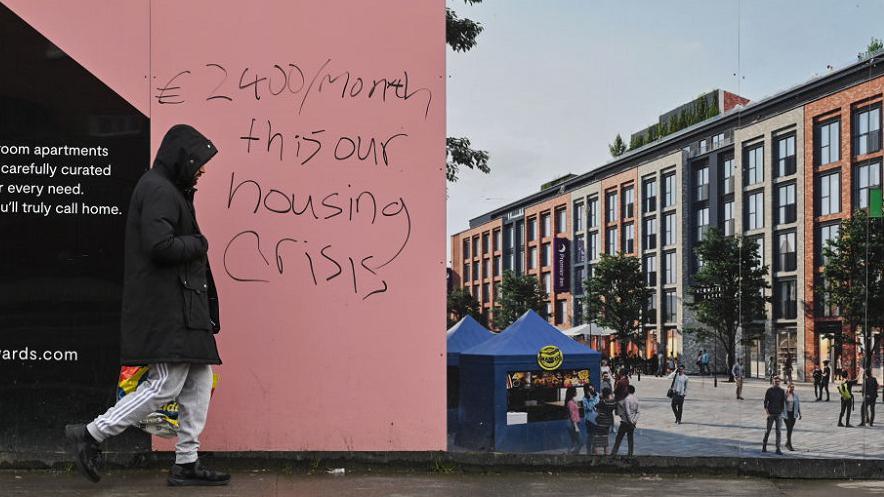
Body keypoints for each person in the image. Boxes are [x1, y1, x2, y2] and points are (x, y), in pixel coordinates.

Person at [65, 125, 229, 486]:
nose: (202, 170)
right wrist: (199, 244)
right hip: (166, 308)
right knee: (166, 384)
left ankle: (186, 462)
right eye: (198, 162)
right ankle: (91, 434)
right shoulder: (158, 189)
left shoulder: (169, 189)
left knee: (199, 380)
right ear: (182, 159)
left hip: (180, 306)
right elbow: (160, 245)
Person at [611, 384, 639, 457]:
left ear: (628, 390)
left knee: (619, 438)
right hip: (632, 423)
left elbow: (627, 411)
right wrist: (634, 421)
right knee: (630, 438)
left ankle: (614, 452)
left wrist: (629, 421)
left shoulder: (627, 399)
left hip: (625, 422)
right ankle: (630, 453)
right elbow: (638, 412)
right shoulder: (636, 399)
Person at [762, 376, 786, 455]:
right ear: (773, 382)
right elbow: (765, 402)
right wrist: (767, 412)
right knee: (767, 431)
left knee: (778, 431)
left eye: (778, 382)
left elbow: (783, 402)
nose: (777, 383)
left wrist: (782, 412)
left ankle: (778, 448)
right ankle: (764, 446)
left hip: (779, 414)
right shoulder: (769, 390)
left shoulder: (782, 391)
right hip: (771, 413)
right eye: (776, 382)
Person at [593, 388, 618, 455]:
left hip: (601, 422)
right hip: (608, 422)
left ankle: (597, 457)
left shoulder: (603, 402)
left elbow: (595, 407)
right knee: (605, 439)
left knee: (597, 441)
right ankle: (607, 454)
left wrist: (600, 398)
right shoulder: (613, 402)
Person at [581, 384, 599, 455]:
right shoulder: (584, 399)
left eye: (592, 388)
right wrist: (591, 399)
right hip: (589, 420)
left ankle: (593, 449)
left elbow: (598, 403)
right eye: (590, 389)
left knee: (596, 436)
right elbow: (588, 408)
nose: (592, 390)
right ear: (587, 391)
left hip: (597, 418)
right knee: (590, 436)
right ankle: (588, 450)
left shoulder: (597, 394)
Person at [783, 383, 801, 451]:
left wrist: (800, 413)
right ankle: (789, 445)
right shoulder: (784, 396)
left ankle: (787, 442)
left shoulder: (795, 395)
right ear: (787, 388)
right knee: (789, 429)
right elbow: (781, 405)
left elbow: (798, 405)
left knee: (790, 429)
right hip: (786, 414)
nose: (792, 389)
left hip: (793, 414)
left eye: (793, 388)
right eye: (791, 387)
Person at [565, 387, 581, 454]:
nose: (576, 392)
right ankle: (572, 453)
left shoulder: (572, 401)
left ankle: (570, 453)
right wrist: (576, 426)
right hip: (573, 424)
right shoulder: (570, 403)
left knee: (573, 441)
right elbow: (572, 415)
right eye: (575, 391)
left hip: (573, 423)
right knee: (580, 442)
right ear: (572, 393)